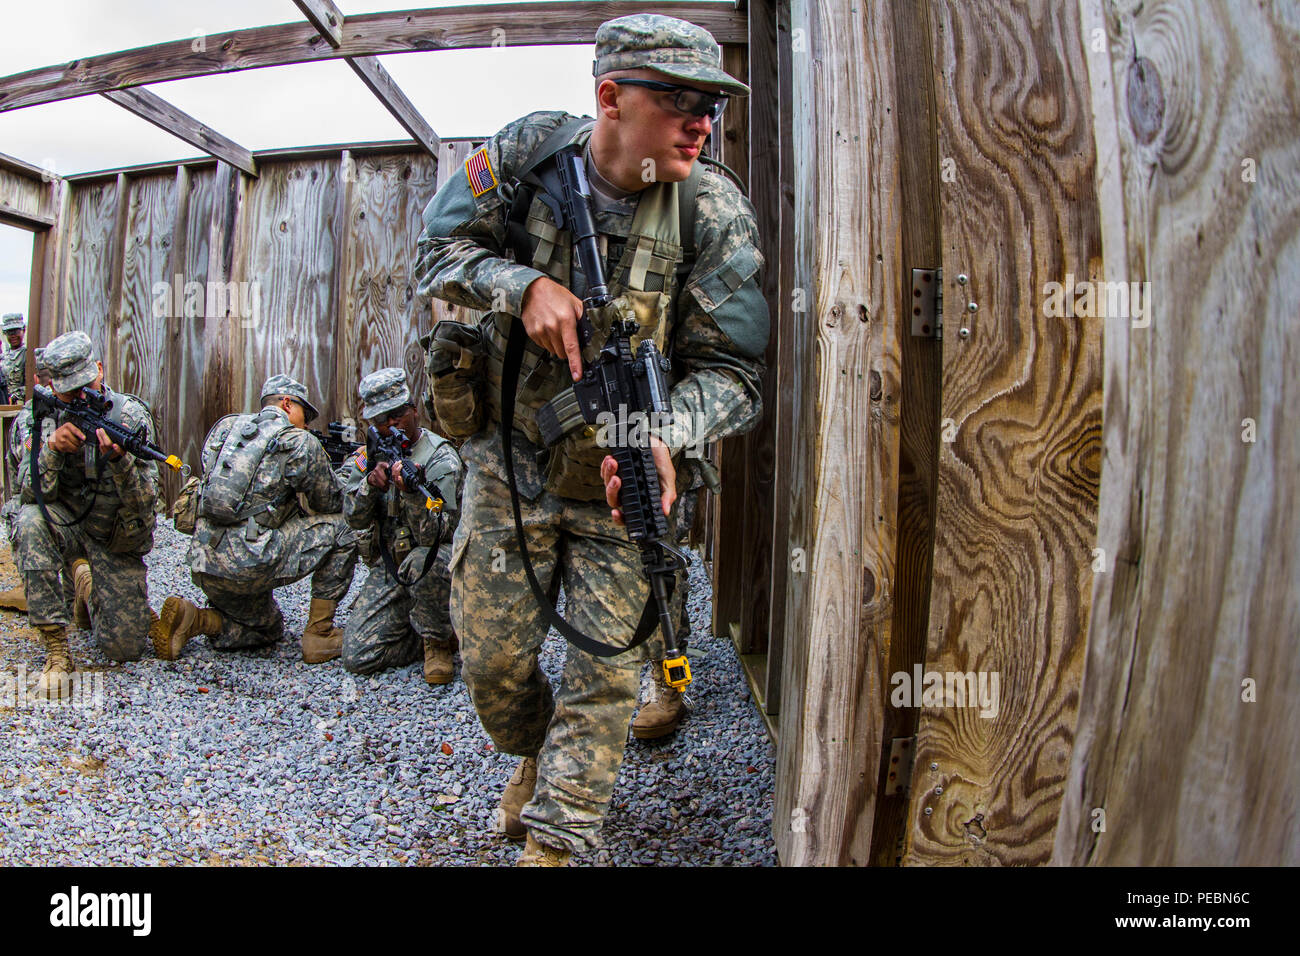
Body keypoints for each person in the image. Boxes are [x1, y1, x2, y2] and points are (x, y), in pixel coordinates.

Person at [414, 14, 768, 865]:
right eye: (678, 99)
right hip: (507, 463)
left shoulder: (712, 209)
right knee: (494, 670)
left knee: (607, 673)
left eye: (710, 105)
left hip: (620, 484)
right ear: (610, 98)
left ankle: (558, 843)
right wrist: (520, 282)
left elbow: (738, 374)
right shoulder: (528, 157)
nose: (701, 122)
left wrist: (665, 432)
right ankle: (532, 754)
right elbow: (433, 254)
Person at [150, 374, 358, 663]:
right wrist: (350, 469)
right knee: (344, 530)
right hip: (248, 563)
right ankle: (319, 635)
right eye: (304, 414)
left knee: (267, 628)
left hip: (204, 560)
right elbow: (332, 502)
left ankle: (196, 619)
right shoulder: (297, 441)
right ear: (287, 404)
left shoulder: (226, 429)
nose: (307, 424)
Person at [11, 330, 160, 697]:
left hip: (112, 533)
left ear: (100, 369)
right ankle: (57, 649)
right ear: (53, 388)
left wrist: (122, 462)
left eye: (88, 385)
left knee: (125, 649)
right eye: (69, 391)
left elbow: (146, 505)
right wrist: (52, 449)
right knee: (28, 521)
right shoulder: (37, 419)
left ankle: (83, 585)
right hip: (65, 525)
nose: (81, 397)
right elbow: (29, 493)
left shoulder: (128, 415)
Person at [338, 368, 464, 683]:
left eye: (397, 414)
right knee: (358, 655)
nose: (392, 425)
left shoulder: (440, 460)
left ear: (414, 410)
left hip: (436, 566)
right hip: (394, 567)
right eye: (381, 420)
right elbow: (352, 518)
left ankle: (437, 640)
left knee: (426, 558)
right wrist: (370, 486)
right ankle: (427, 628)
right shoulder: (365, 458)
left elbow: (441, 531)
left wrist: (412, 495)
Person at [1, 312, 27, 404]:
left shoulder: (27, 355)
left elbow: (34, 385)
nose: (13, 335)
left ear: (23, 330)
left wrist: (15, 396)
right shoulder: (3, 357)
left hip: (19, 406)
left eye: (16, 331)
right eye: (9, 332)